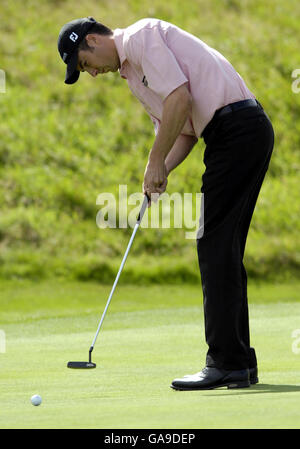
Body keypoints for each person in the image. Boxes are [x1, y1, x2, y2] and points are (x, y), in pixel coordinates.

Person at [57, 17, 274, 390]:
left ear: (92, 40)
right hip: (233, 133)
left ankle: (226, 362)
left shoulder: (141, 38)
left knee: (214, 243)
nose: (90, 74)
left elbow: (180, 98)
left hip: (238, 129)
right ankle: (238, 363)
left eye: (84, 64)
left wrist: (156, 160)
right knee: (223, 246)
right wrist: (157, 173)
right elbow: (183, 128)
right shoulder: (131, 74)